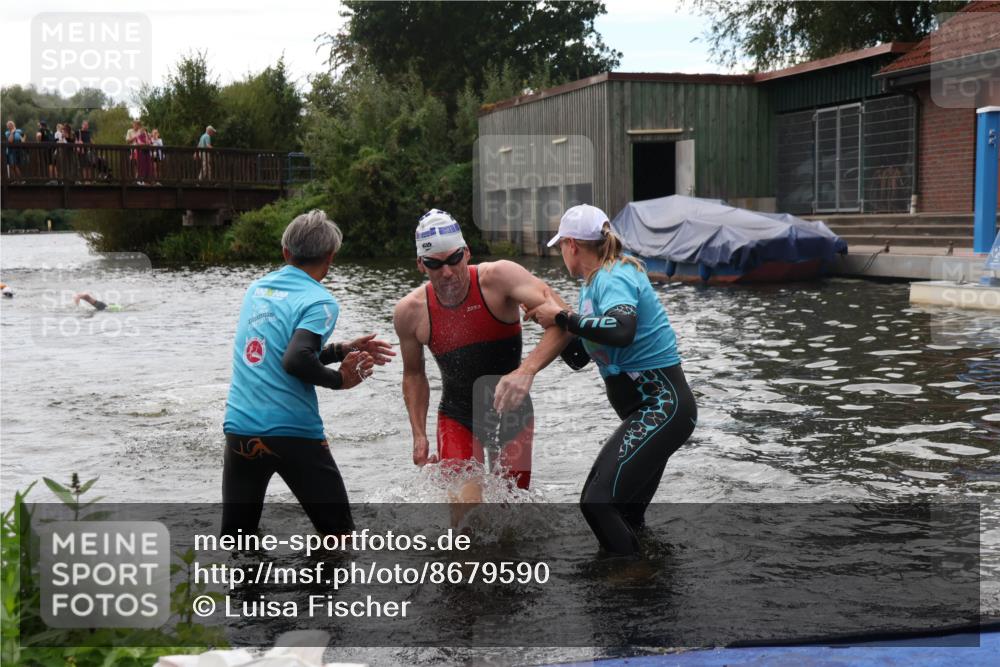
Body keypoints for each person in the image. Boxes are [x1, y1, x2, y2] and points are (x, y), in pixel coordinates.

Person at [525, 204, 697, 556]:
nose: (562, 254)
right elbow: (578, 358)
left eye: (561, 246)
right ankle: (646, 589)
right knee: (624, 515)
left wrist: (562, 316)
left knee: (597, 503)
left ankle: (631, 577)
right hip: (651, 414)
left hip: (662, 408)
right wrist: (553, 322)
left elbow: (622, 330)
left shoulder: (613, 275)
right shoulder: (591, 288)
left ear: (572, 245)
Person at [222, 210, 394, 538]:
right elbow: (296, 360)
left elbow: (281, 355)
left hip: (241, 429)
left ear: (286, 253)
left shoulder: (256, 290)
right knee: (340, 537)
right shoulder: (320, 301)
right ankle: (321, 590)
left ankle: (243, 591)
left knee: (238, 540)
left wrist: (340, 349)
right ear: (330, 259)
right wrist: (339, 380)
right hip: (293, 434)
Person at [393, 209, 571, 508]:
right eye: (435, 264)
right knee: (466, 517)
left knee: (511, 510)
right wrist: (419, 434)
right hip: (457, 416)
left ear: (467, 253)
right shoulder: (409, 312)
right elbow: (413, 374)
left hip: (512, 412)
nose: (447, 272)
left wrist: (526, 370)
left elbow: (565, 321)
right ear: (421, 265)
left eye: (453, 259)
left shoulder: (500, 278)